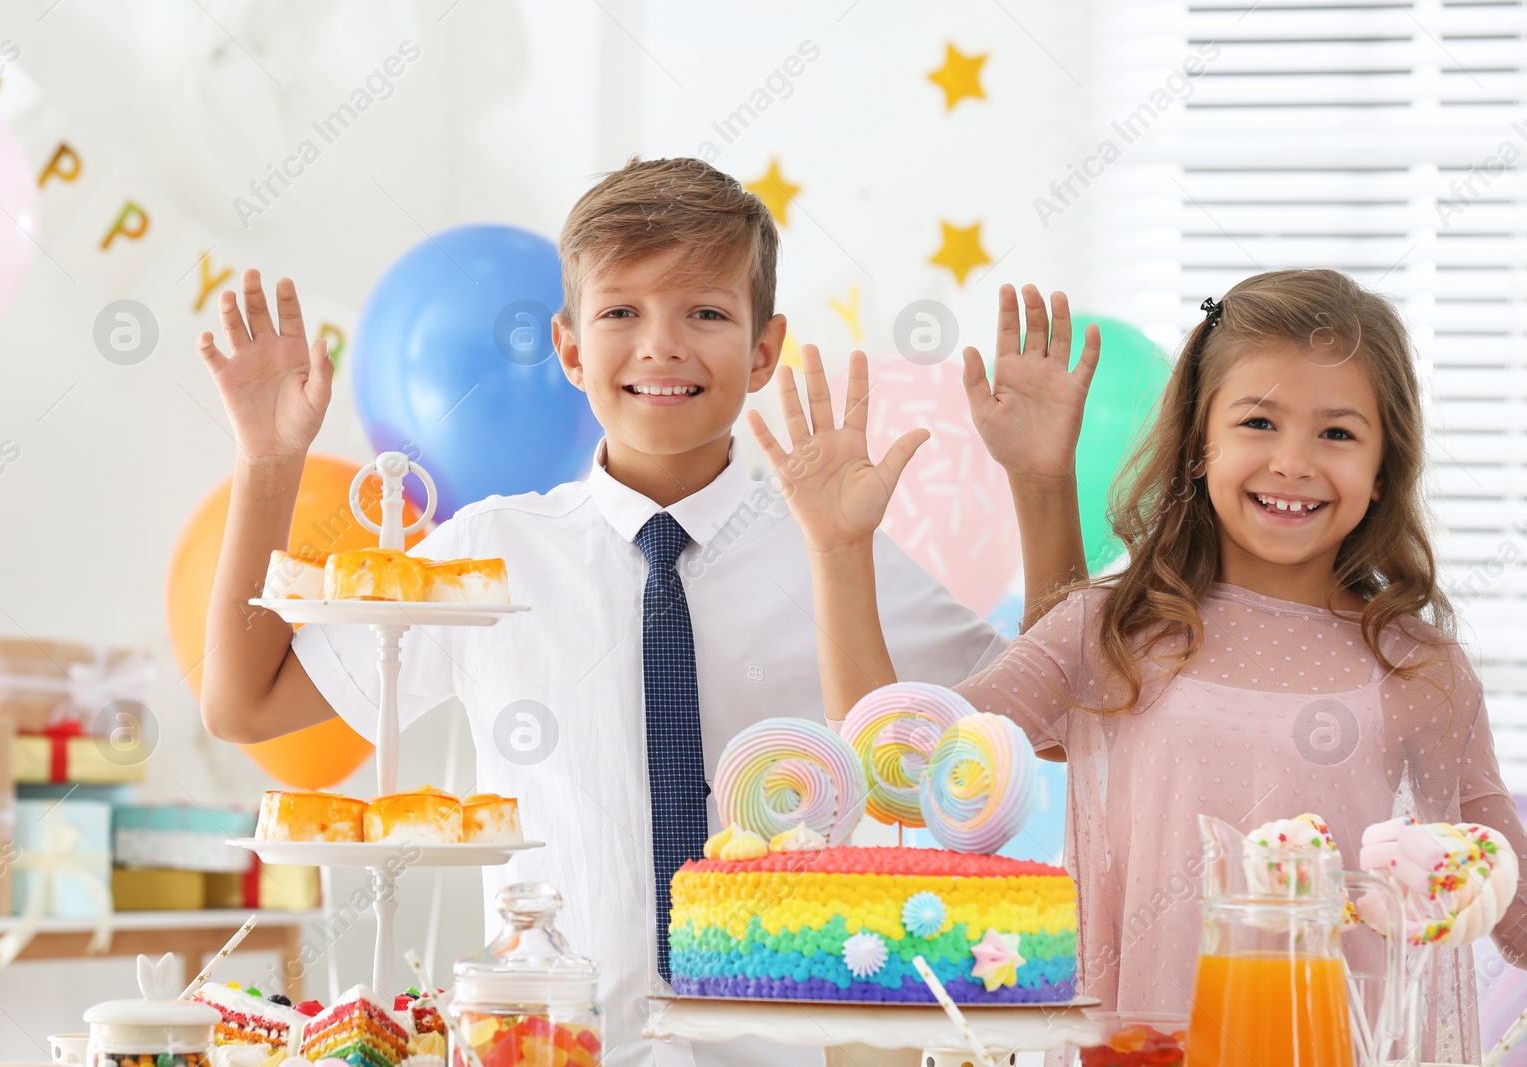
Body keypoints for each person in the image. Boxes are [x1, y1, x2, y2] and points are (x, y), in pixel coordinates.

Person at [196, 156, 1097, 1067]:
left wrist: (1040, 479)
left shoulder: (837, 549)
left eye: (704, 311)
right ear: (571, 347)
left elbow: (1063, 719)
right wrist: (269, 461)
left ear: (762, 348)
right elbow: (247, 705)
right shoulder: (490, 553)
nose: (661, 345)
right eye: (621, 311)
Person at [755, 267, 1527, 1062]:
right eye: (1259, 422)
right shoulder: (1108, 628)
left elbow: (1507, 896)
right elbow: (900, 766)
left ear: (1382, 467)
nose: (1294, 461)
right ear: (1198, 443)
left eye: (1337, 433)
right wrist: (841, 549)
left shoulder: (1422, 669)